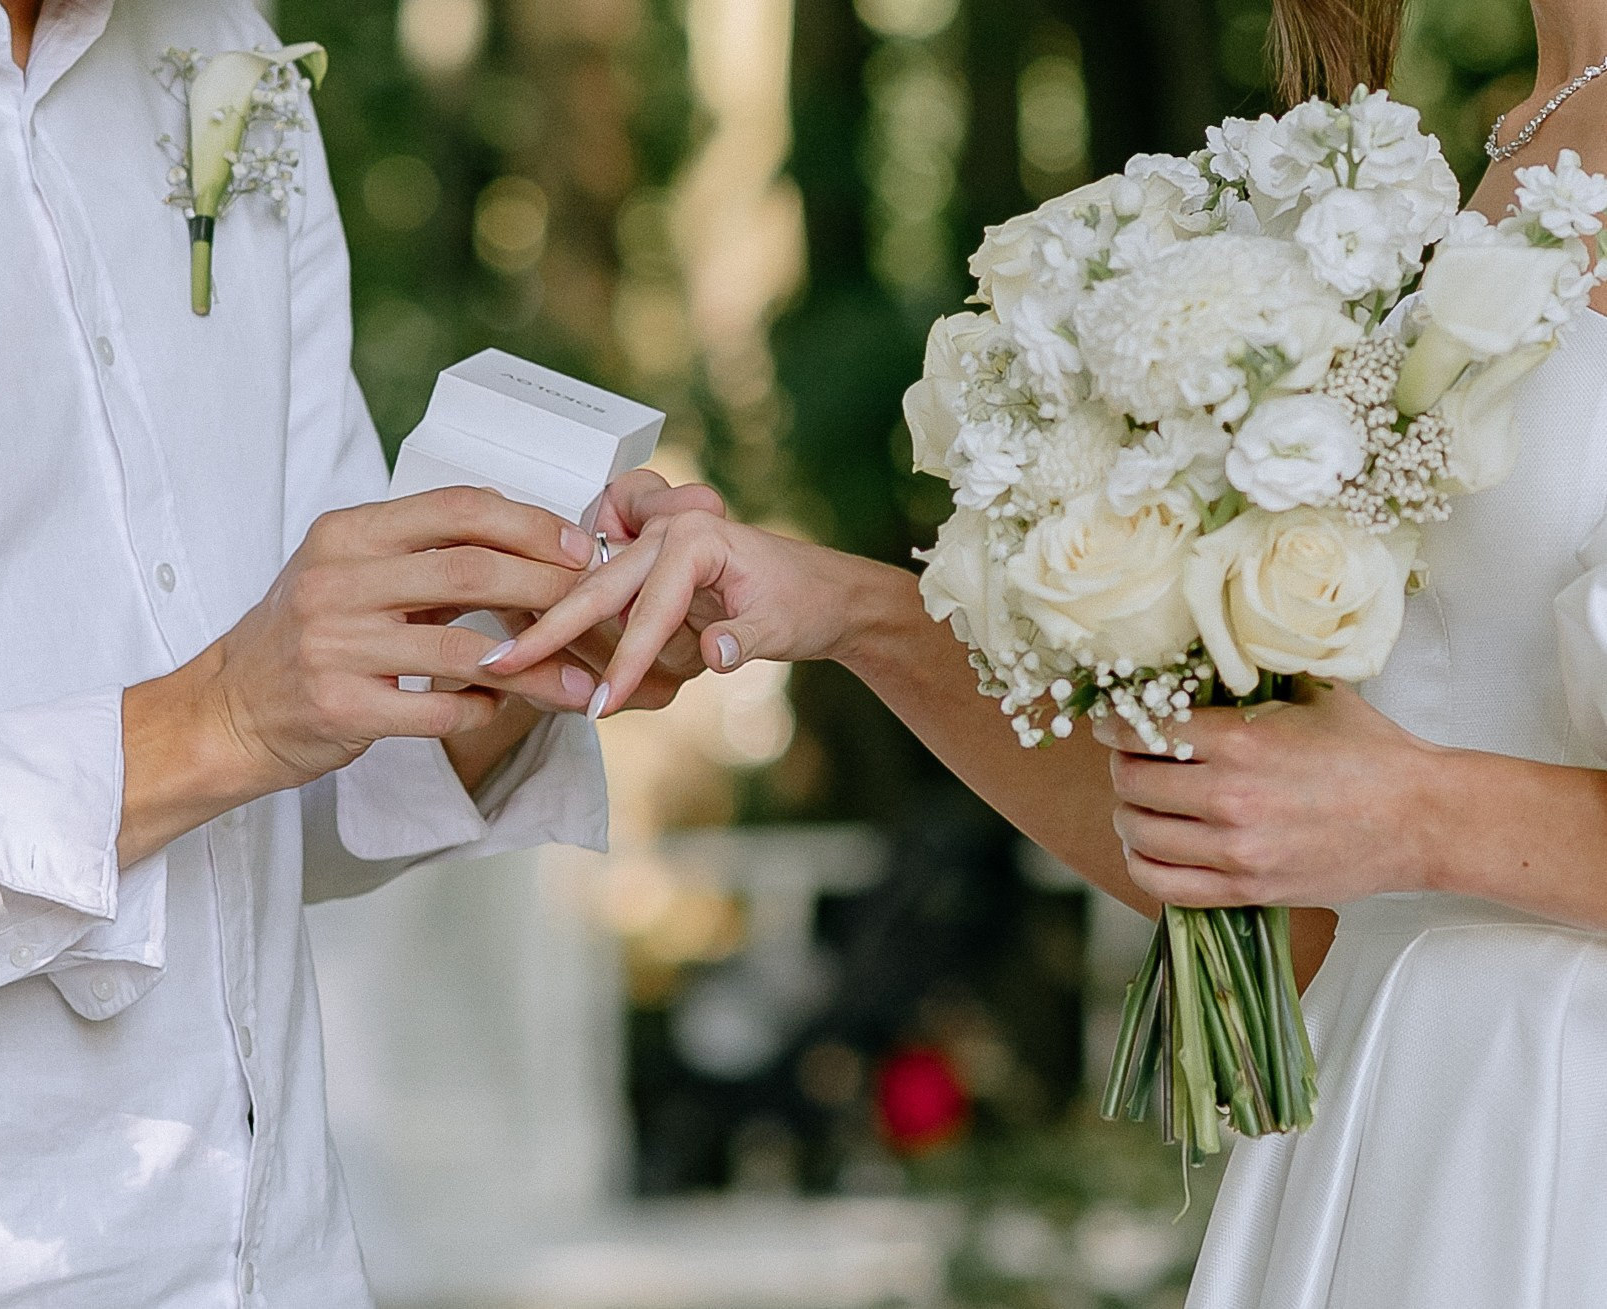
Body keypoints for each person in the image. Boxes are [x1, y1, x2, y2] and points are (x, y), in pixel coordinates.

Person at [501, 2, 1607, 1303]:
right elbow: (1300, 891)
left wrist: (1417, 815)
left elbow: (1396, 822)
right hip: (1395, 1137)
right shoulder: (1507, 137)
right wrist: (840, 611)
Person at [0, 0, 718, 1303]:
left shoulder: (225, 55)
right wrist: (209, 722)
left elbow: (263, 816)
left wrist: (509, 657)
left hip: (281, 1259)